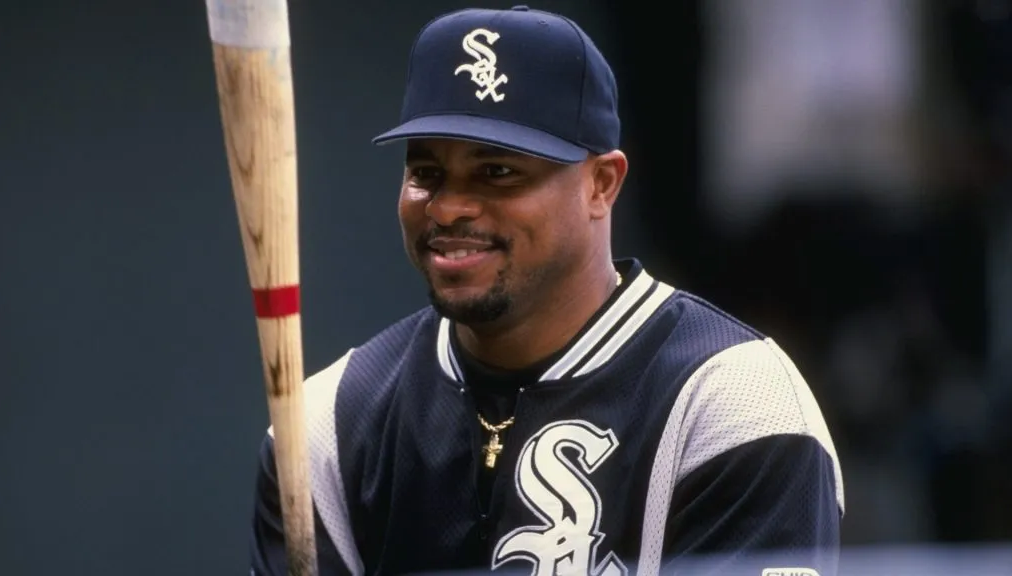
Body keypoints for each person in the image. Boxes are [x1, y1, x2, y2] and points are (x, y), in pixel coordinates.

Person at [250, 6, 844, 576]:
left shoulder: (732, 404)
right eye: (426, 173)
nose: (449, 207)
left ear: (601, 184)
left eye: (497, 172)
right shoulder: (325, 427)